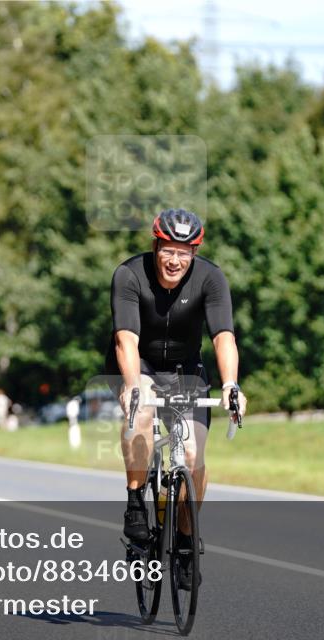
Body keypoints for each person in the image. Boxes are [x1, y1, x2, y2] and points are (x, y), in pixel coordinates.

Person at [106, 208, 247, 590]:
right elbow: (126, 339)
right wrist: (133, 384)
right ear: (155, 246)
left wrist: (231, 384)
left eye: (184, 252)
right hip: (143, 364)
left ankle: (185, 539)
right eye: (168, 250)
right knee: (141, 410)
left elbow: (223, 337)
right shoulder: (129, 275)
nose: (175, 260)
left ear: (195, 253)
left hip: (187, 371)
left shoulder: (211, 278)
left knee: (191, 458)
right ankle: (136, 502)